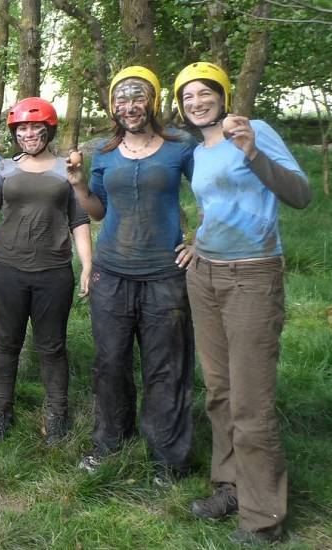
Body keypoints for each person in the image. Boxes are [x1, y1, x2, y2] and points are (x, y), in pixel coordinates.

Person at [174, 62, 312, 545]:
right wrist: (197, 240)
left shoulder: (255, 132)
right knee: (220, 393)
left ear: (223, 94)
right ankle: (229, 487)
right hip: (205, 275)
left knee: (252, 403)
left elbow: (301, 195)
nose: (196, 102)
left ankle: (263, 517)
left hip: (253, 276)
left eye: (205, 93)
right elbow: (218, 207)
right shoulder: (200, 150)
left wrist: (253, 153)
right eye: (187, 96)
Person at [68, 66, 196, 485]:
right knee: (110, 363)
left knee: (166, 366)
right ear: (112, 106)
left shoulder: (180, 147)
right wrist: (79, 185)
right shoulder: (104, 152)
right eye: (121, 100)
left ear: (153, 101)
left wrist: (201, 240)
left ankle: (167, 458)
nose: (129, 106)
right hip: (112, 273)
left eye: (138, 97)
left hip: (164, 275)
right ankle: (110, 442)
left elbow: (215, 189)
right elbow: (99, 210)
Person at [0, 97, 92, 445]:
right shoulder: (5, 169)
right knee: (6, 343)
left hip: (53, 271)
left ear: (49, 130)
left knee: (52, 346)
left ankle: (57, 415)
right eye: (22, 128)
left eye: (36, 127)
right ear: (14, 132)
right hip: (6, 270)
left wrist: (87, 265)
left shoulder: (65, 169)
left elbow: (79, 219)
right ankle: (1, 413)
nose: (29, 133)